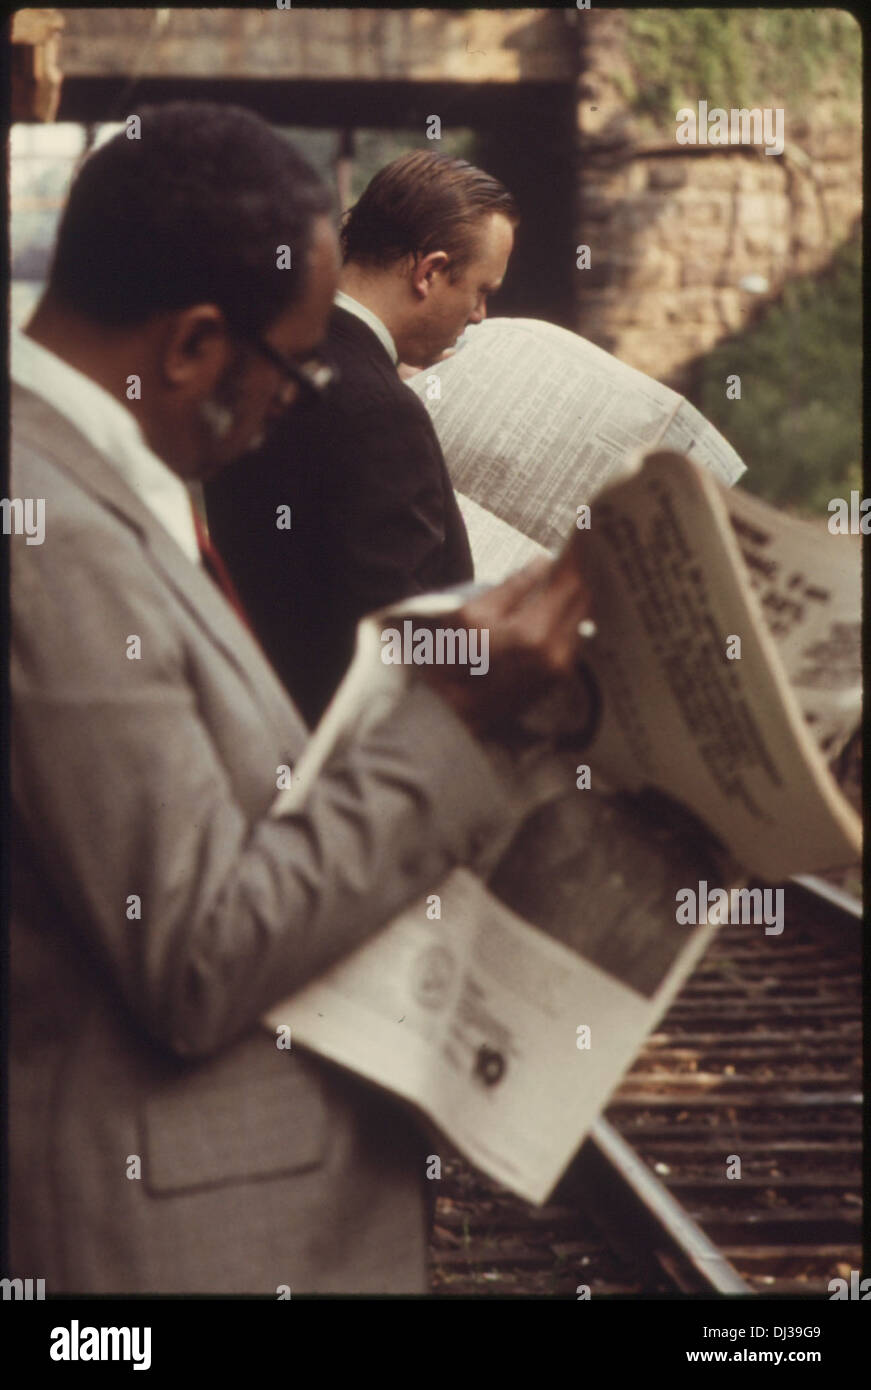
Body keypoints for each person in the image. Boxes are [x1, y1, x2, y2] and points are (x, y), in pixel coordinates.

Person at [9, 103, 592, 1295]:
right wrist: (446, 728)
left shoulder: (93, 488)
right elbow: (195, 948)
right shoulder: (49, 535)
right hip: (181, 1252)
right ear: (189, 346)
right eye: (289, 364)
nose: (297, 401)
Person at [205, 151, 518, 724]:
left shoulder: (274, 362)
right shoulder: (383, 412)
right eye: (479, 290)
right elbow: (397, 642)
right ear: (428, 272)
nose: (478, 315)